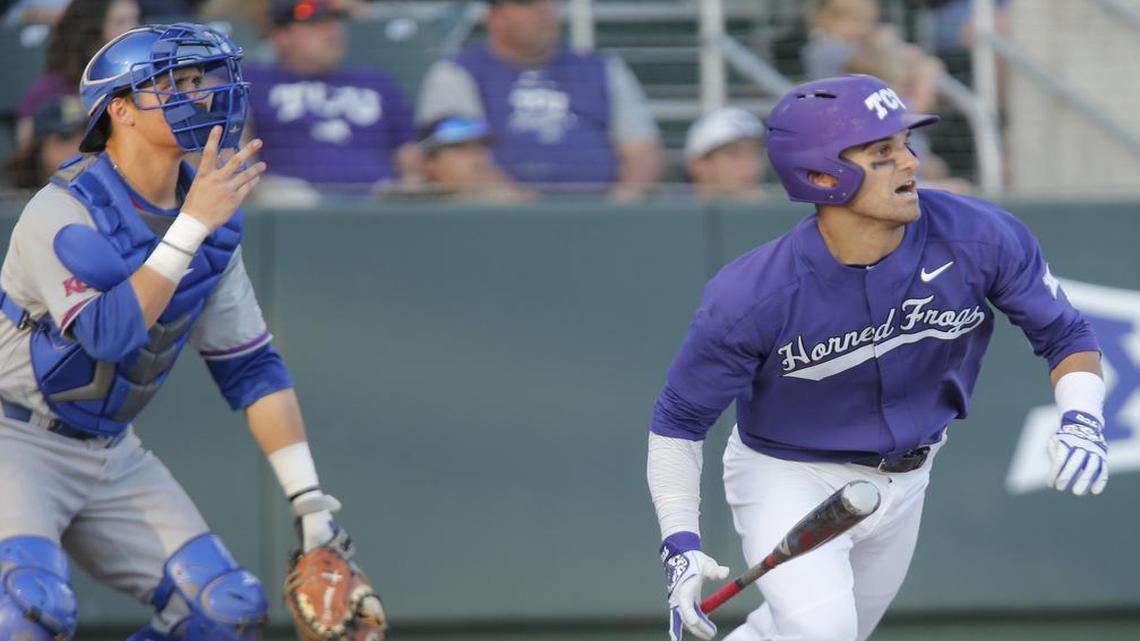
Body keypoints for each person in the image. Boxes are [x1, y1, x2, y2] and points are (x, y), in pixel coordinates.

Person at [647, 74, 1106, 641]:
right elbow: (679, 421)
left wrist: (1083, 415)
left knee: (813, 632)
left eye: (907, 146)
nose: (911, 164)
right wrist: (680, 545)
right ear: (820, 175)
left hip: (911, 475)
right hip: (790, 473)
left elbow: (1066, 335)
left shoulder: (981, 236)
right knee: (824, 632)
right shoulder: (751, 294)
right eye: (882, 153)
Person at [0, 23, 386, 640]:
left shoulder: (208, 216)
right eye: (172, 83)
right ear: (120, 110)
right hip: (14, 437)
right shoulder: (62, 210)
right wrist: (191, 225)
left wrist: (309, 502)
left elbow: (251, 368)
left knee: (225, 612)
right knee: (28, 610)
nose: (199, 94)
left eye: (197, 79)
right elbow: (109, 335)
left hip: (110, 449)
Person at [416, 0, 663, 199]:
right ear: (493, 17)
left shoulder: (602, 68)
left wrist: (621, 204)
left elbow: (642, 150)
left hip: (603, 219)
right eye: (527, 3)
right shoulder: (459, 73)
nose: (544, 10)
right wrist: (533, 213)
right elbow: (457, 161)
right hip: (498, 224)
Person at [242, 0, 419, 196]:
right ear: (281, 37)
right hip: (291, 201)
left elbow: (408, 158)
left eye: (333, 22)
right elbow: (206, 92)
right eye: (314, 25)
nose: (331, 32)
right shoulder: (252, 81)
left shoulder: (376, 82)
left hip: (377, 198)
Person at [16, 0, 140, 148]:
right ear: (90, 32)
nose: (133, 30)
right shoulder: (49, 88)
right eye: (120, 22)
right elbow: (27, 151)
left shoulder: (144, 80)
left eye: (136, 19)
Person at [416, 115, 534, 203]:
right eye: (460, 148)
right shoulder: (412, 207)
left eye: (481, 146)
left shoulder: (510, 197)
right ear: (429, 163)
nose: (477, 154)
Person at [3, 93, 87, 190]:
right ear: (39, 147)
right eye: (65, 137)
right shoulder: (9, 198)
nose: (81, 146)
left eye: (89, 137)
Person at [685, 107, 767, 202]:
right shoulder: (672, 212)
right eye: (733, 153)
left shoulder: (775, 211)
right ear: (698, 164)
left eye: (756, 152)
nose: (750, 163)